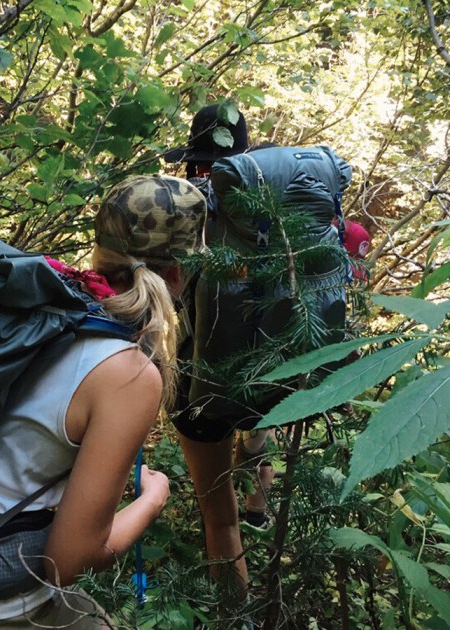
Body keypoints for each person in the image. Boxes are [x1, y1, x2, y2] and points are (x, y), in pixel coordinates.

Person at [0, 174, 207, 628]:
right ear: (179, 274)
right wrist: (153, 500)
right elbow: (68, 564)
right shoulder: (130, 374)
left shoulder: (46, 302)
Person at [164, 103, 276, 591]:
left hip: (198, 384)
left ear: (191, 157)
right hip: (266, 372)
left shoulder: (180, 207)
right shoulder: (270, 205)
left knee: (219, 520)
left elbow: (162, 294)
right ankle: (260, 506)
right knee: (255, 437)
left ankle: (236, 614)